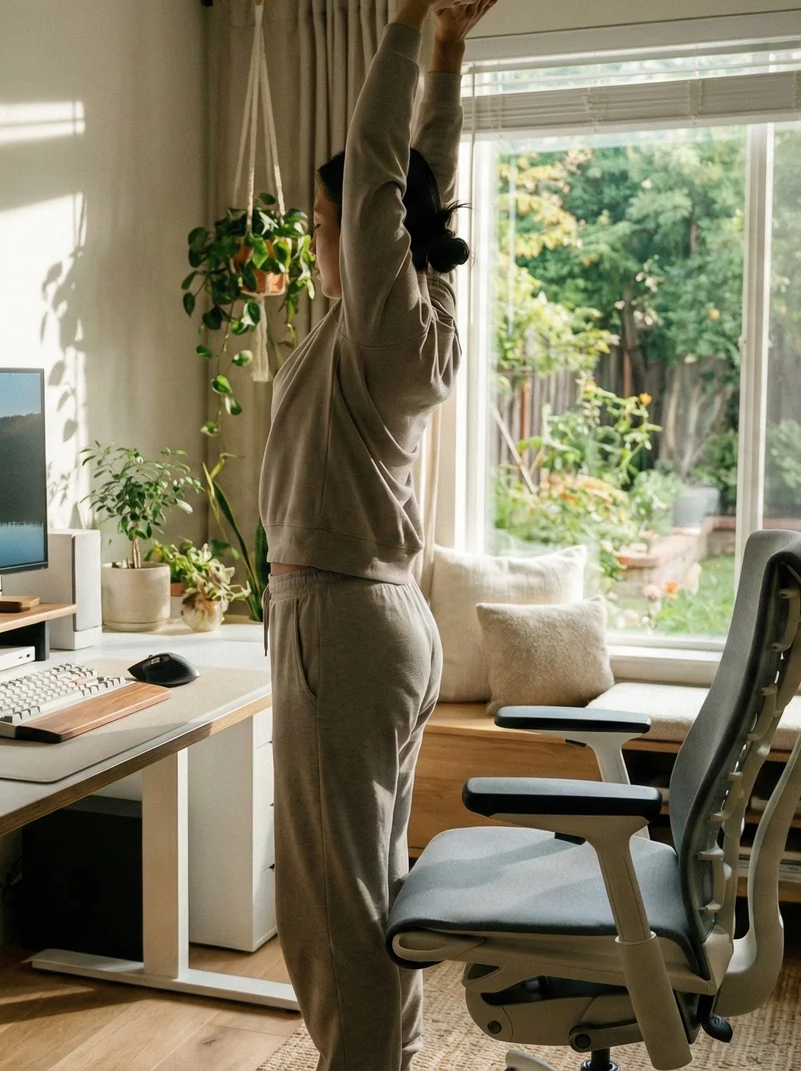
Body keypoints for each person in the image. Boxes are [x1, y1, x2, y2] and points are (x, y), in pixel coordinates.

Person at [258, 1, 495, 1067]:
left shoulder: (383, 326)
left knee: (332, 912)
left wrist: (404, 22)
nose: (322, 235)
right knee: (373, 890)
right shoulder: (417, 314)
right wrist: (449, 52)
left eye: (327, 218)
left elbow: (382, 165)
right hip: (377, 623)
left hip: (341, 626)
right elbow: (418, 171)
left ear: (362, 223)